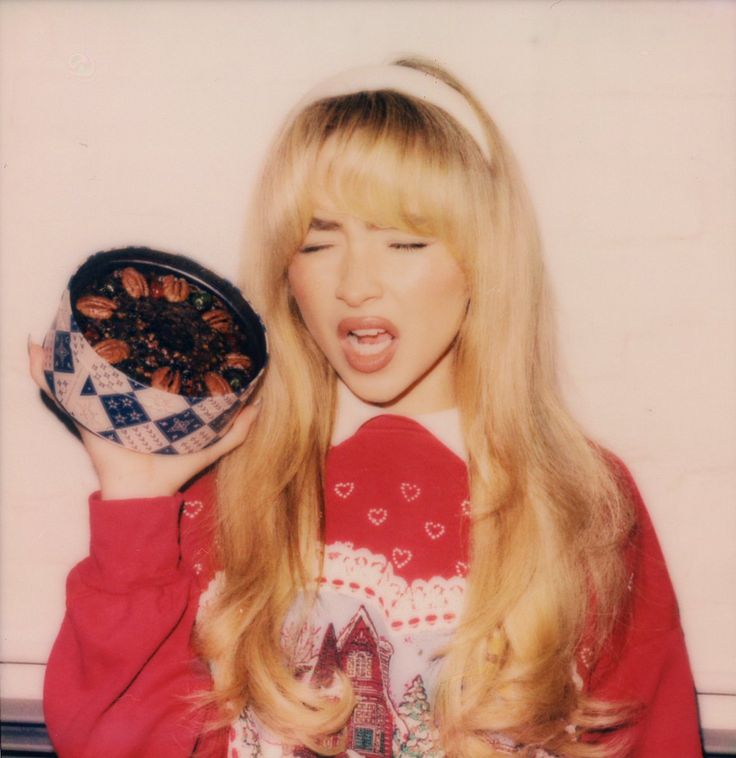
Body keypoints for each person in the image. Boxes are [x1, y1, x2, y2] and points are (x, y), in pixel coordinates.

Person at [30, 58, 701, 757]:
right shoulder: (224, 484)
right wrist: (135, 498)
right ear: (285, 273)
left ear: (482, 262)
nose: (355, 283)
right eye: (317, 243)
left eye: (404, 241)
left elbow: (656, 737)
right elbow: (114, 742)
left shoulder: (585, 498)